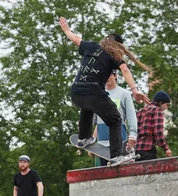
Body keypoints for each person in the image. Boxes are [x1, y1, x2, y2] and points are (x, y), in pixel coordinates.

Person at [59, 17, 150, 162]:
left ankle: (83, 138)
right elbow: (125, 70)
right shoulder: (114, 54)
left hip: (76, 91)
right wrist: (134, 90)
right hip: (94, 93)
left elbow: (75, 39)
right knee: (115, 120)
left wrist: (66, 30)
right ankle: (116, 155)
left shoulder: (91, 46)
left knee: (86, 106)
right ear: (118, 46)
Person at [92, 71, 138, 166]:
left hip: (119, 143)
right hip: (102, 145)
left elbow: (132, 116)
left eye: (109, 74)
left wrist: (133, 135)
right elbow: (98, 122)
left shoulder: (124, 94)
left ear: (115, 76)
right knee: (104, 175)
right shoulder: (98, 95)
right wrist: (92, 143)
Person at [135, 91, 173, 161]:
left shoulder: (140, 111)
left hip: (137, 150)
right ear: (161, 102)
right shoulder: (157, 110)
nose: (166, 107)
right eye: (166, 104)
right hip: (148, 149)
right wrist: (166, 148)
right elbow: (158, 133)